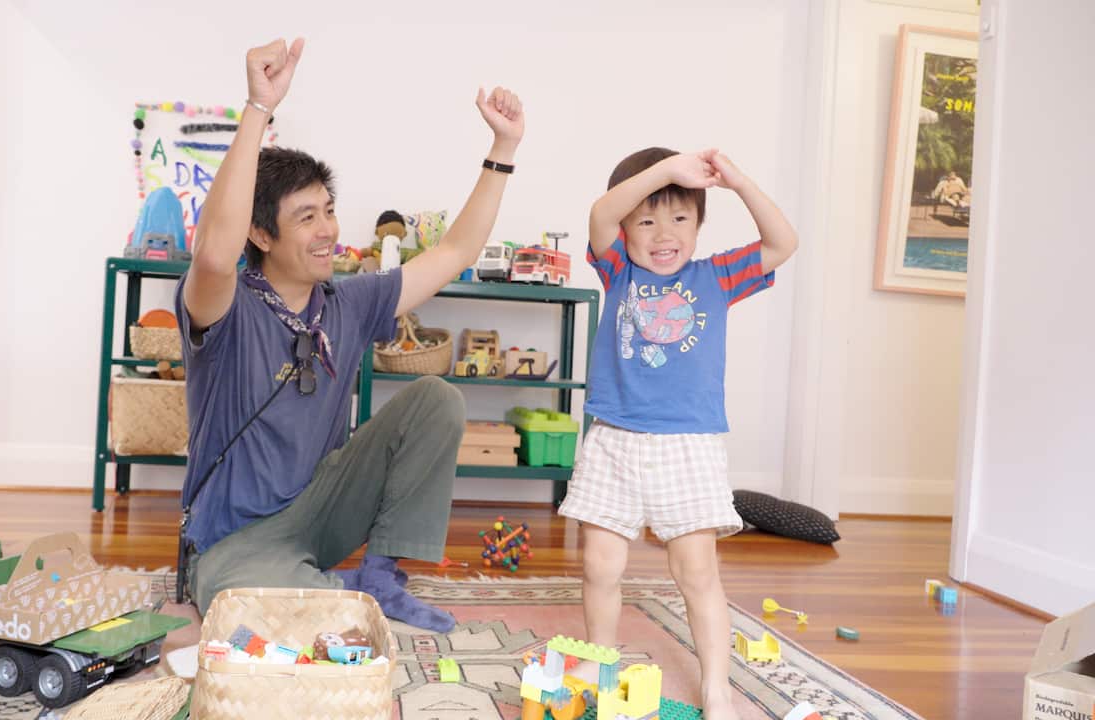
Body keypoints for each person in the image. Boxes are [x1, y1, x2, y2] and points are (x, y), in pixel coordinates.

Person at [175, 37, 525, 631]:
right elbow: (212, 253)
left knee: (436, 398)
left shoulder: (349, 301)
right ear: (261, 236)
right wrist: (257, 109)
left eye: (329, 210)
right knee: (267, 615)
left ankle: (379, 578)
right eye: (305, 217)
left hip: (322, 513)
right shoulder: (228, 306)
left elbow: (455, 251)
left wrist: (504, 148)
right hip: (238, 540)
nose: (327, 230)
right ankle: (333, 590)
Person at [559, 147, 798, 718]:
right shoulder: (616, 267)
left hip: (688, 446)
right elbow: (598, 214)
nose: (664, 234)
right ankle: (599, 656)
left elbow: (783, 243)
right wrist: (668, 173)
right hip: (614, 439)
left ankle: (717, 685)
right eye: (646, 220)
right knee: (599, 564)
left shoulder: (715, 277)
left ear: (699, 223)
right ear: (626, 228)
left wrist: (735, 180)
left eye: (681, 219)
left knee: (696, 573)